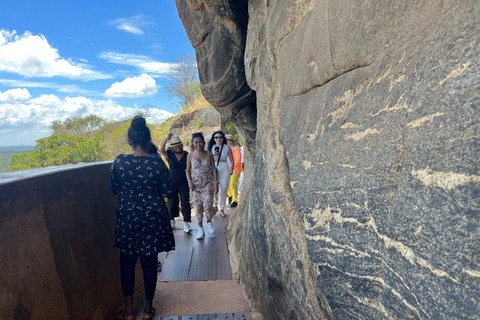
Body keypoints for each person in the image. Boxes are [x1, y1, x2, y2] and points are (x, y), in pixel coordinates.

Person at [110, 116, 174, 320]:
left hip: (128, 217)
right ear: (148, 140)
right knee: (149, 262)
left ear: (130, 140)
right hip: (153, 217)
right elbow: (168, 191)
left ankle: (128, 311)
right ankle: (147, 310)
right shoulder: (157, 165)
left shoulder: (120, 161)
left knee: (127, 262)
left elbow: (114, 188)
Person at [186, 132, 219, 239]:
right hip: (195, 186)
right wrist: (189, 182)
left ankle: (209, 221)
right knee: (198, 208)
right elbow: (187, 170)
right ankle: (200, 229)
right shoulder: (190, 155)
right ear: (193, 143)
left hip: (208, 184)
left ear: (203, 142)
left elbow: (213, 169)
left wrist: (216, 183)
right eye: (196, 142)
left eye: (200, 142)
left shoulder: (209, 154)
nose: (198, 144)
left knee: (207, 205)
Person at [159, 133, 192, 233]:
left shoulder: (186, 154)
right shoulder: (169, 154)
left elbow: (189, 168)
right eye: (176, 146)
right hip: (171, 180)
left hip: (183, 180)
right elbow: (161, 150)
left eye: (179, 145)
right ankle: (171, 220)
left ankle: (186, 223)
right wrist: (166, 138)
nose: (178, 147)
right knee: (172, 201)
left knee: (185, 201)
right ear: (173, 147)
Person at [208, 131, 233, 217]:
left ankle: (222, 208)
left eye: (220, 137)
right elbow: (206, 158)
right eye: (216, 137)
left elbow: (231, 159)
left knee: (224, 188)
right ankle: (215, 206)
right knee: (215, 188)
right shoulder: (211, 147)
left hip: (224, 167)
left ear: (223, 138)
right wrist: (212, 154)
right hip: (214, 167)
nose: (218, 139)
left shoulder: (227, 148)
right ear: (213, 139)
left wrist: (231, 168)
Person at [226, 134, 243, 208]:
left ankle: (235, 200)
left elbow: (238, 161)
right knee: (226, 184)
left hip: (234, 170)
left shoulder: (236, 149)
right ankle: (230, 196)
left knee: (233, 184)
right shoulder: (225, 149)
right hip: (226, 170)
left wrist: (229, 166)